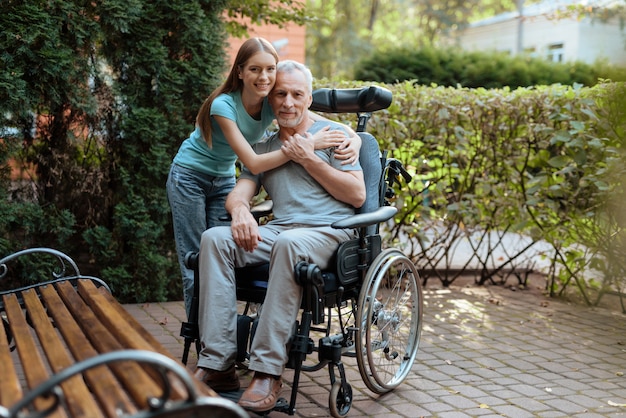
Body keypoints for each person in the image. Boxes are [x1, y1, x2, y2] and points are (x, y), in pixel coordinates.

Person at [193, 60, 366, 413]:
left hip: (329, 232)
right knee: (214, 238)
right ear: (270, 99)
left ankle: (267, 371)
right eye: (280, 94)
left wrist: (309, 158)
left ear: (309, 98)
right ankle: (218, 363)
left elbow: (357, 196)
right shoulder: (265, 147)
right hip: (282, 230)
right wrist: (240, 210)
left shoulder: (336, 135)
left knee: (288, 244)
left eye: (296, 94)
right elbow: (239, 191)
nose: (288, 102)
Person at [166, 37, 360, 316]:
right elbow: (255, 163)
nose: (264, 76)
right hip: (189, 177)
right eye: (255, 69)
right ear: (241, 72)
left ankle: (228, 330)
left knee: (222, 249)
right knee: (195, 259)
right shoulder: (223, 105)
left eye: (270, 69)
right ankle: (200, 334)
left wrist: (355, 139)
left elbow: (320, 121)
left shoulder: (274, 102)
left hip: (222, 179)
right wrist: (305, 148)